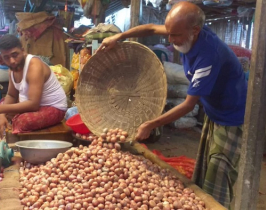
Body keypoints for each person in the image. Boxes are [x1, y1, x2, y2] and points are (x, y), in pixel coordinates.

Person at [98, 2, 247, 208]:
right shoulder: (187, 33)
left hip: (232, 115)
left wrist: (150, 124)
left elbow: (187, 105)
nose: (170, 39)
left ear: (195, 30)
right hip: (215, 110)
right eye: (169, 33)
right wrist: (119, 36)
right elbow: (150, 28)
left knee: (218, 173)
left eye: (175, 35)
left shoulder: (207, 56)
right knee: (205, 169)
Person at [0, 34, 67, 137]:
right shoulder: (12, 68)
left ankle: (14, 121)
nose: (11, 61)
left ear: (23, 50)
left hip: (53, 107)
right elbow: (11, 95)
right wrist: (1, 116)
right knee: (3, 102)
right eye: (6, 57)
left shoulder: (34, 66)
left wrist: (0, 109)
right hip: (30, 104)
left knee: (22, 121)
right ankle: (11, 118)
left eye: (15, 55)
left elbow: (33, 104)